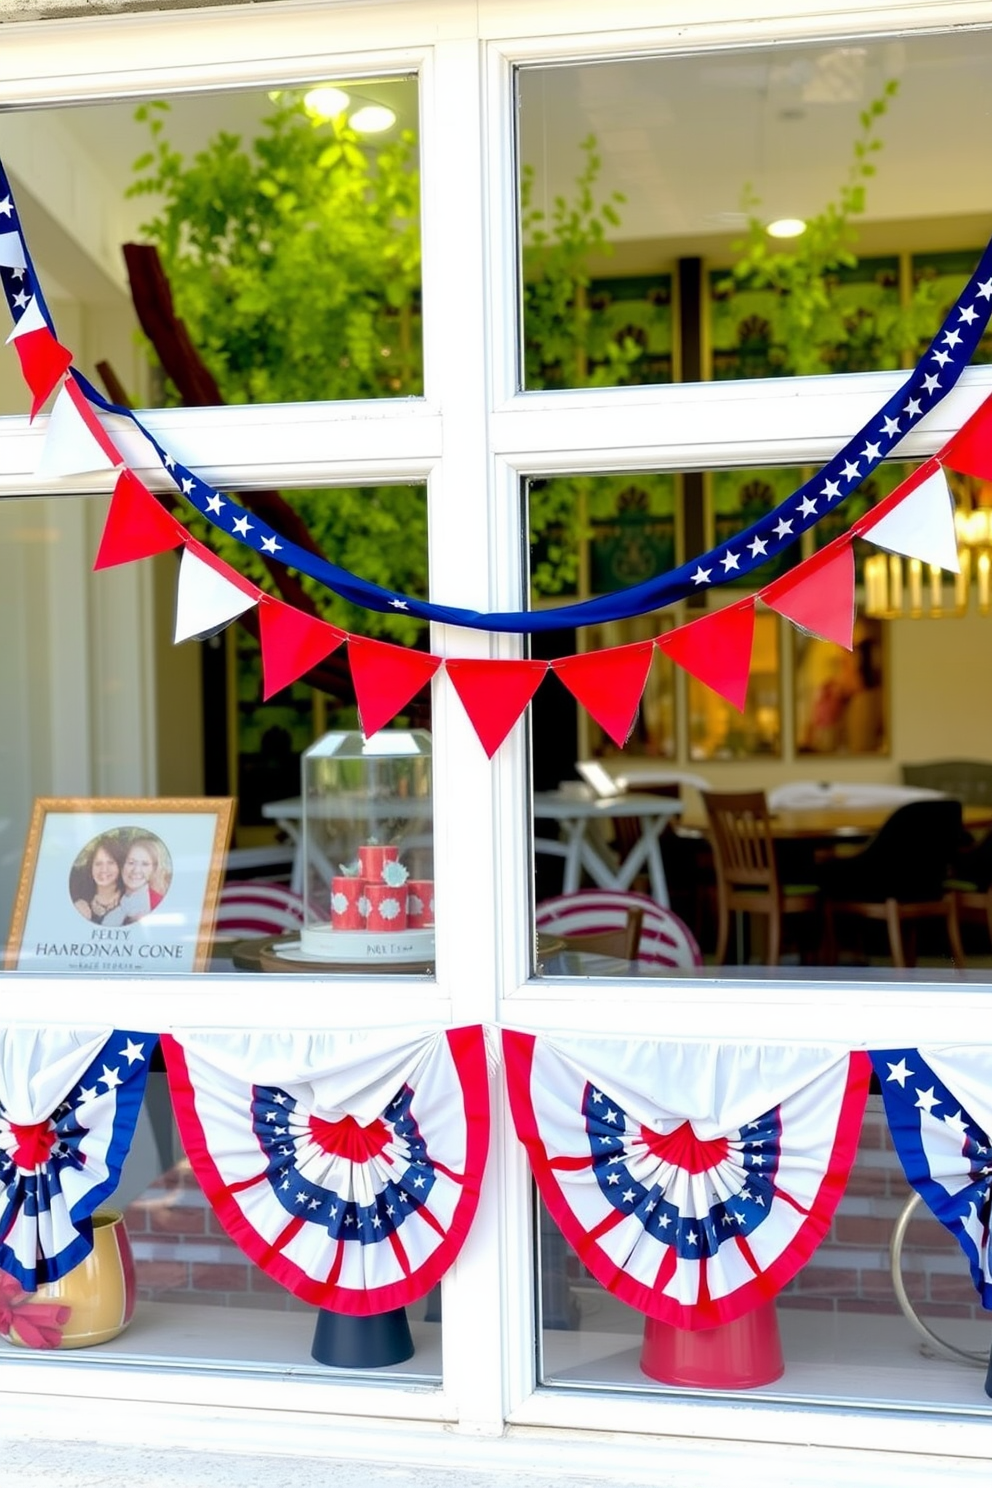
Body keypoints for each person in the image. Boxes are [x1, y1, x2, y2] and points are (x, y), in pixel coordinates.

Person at [104, 836, 169, 925]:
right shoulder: (111, 899)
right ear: (122, 865)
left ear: (153, 869)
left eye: (145, 864)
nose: (136, 870)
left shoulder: (158, 905)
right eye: (131, 862)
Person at [71, 837, 125, 924]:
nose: (104, 869)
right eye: (98, 863)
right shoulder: (79, 898)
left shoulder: (130, 901)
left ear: (120, 866)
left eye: (110, 863)